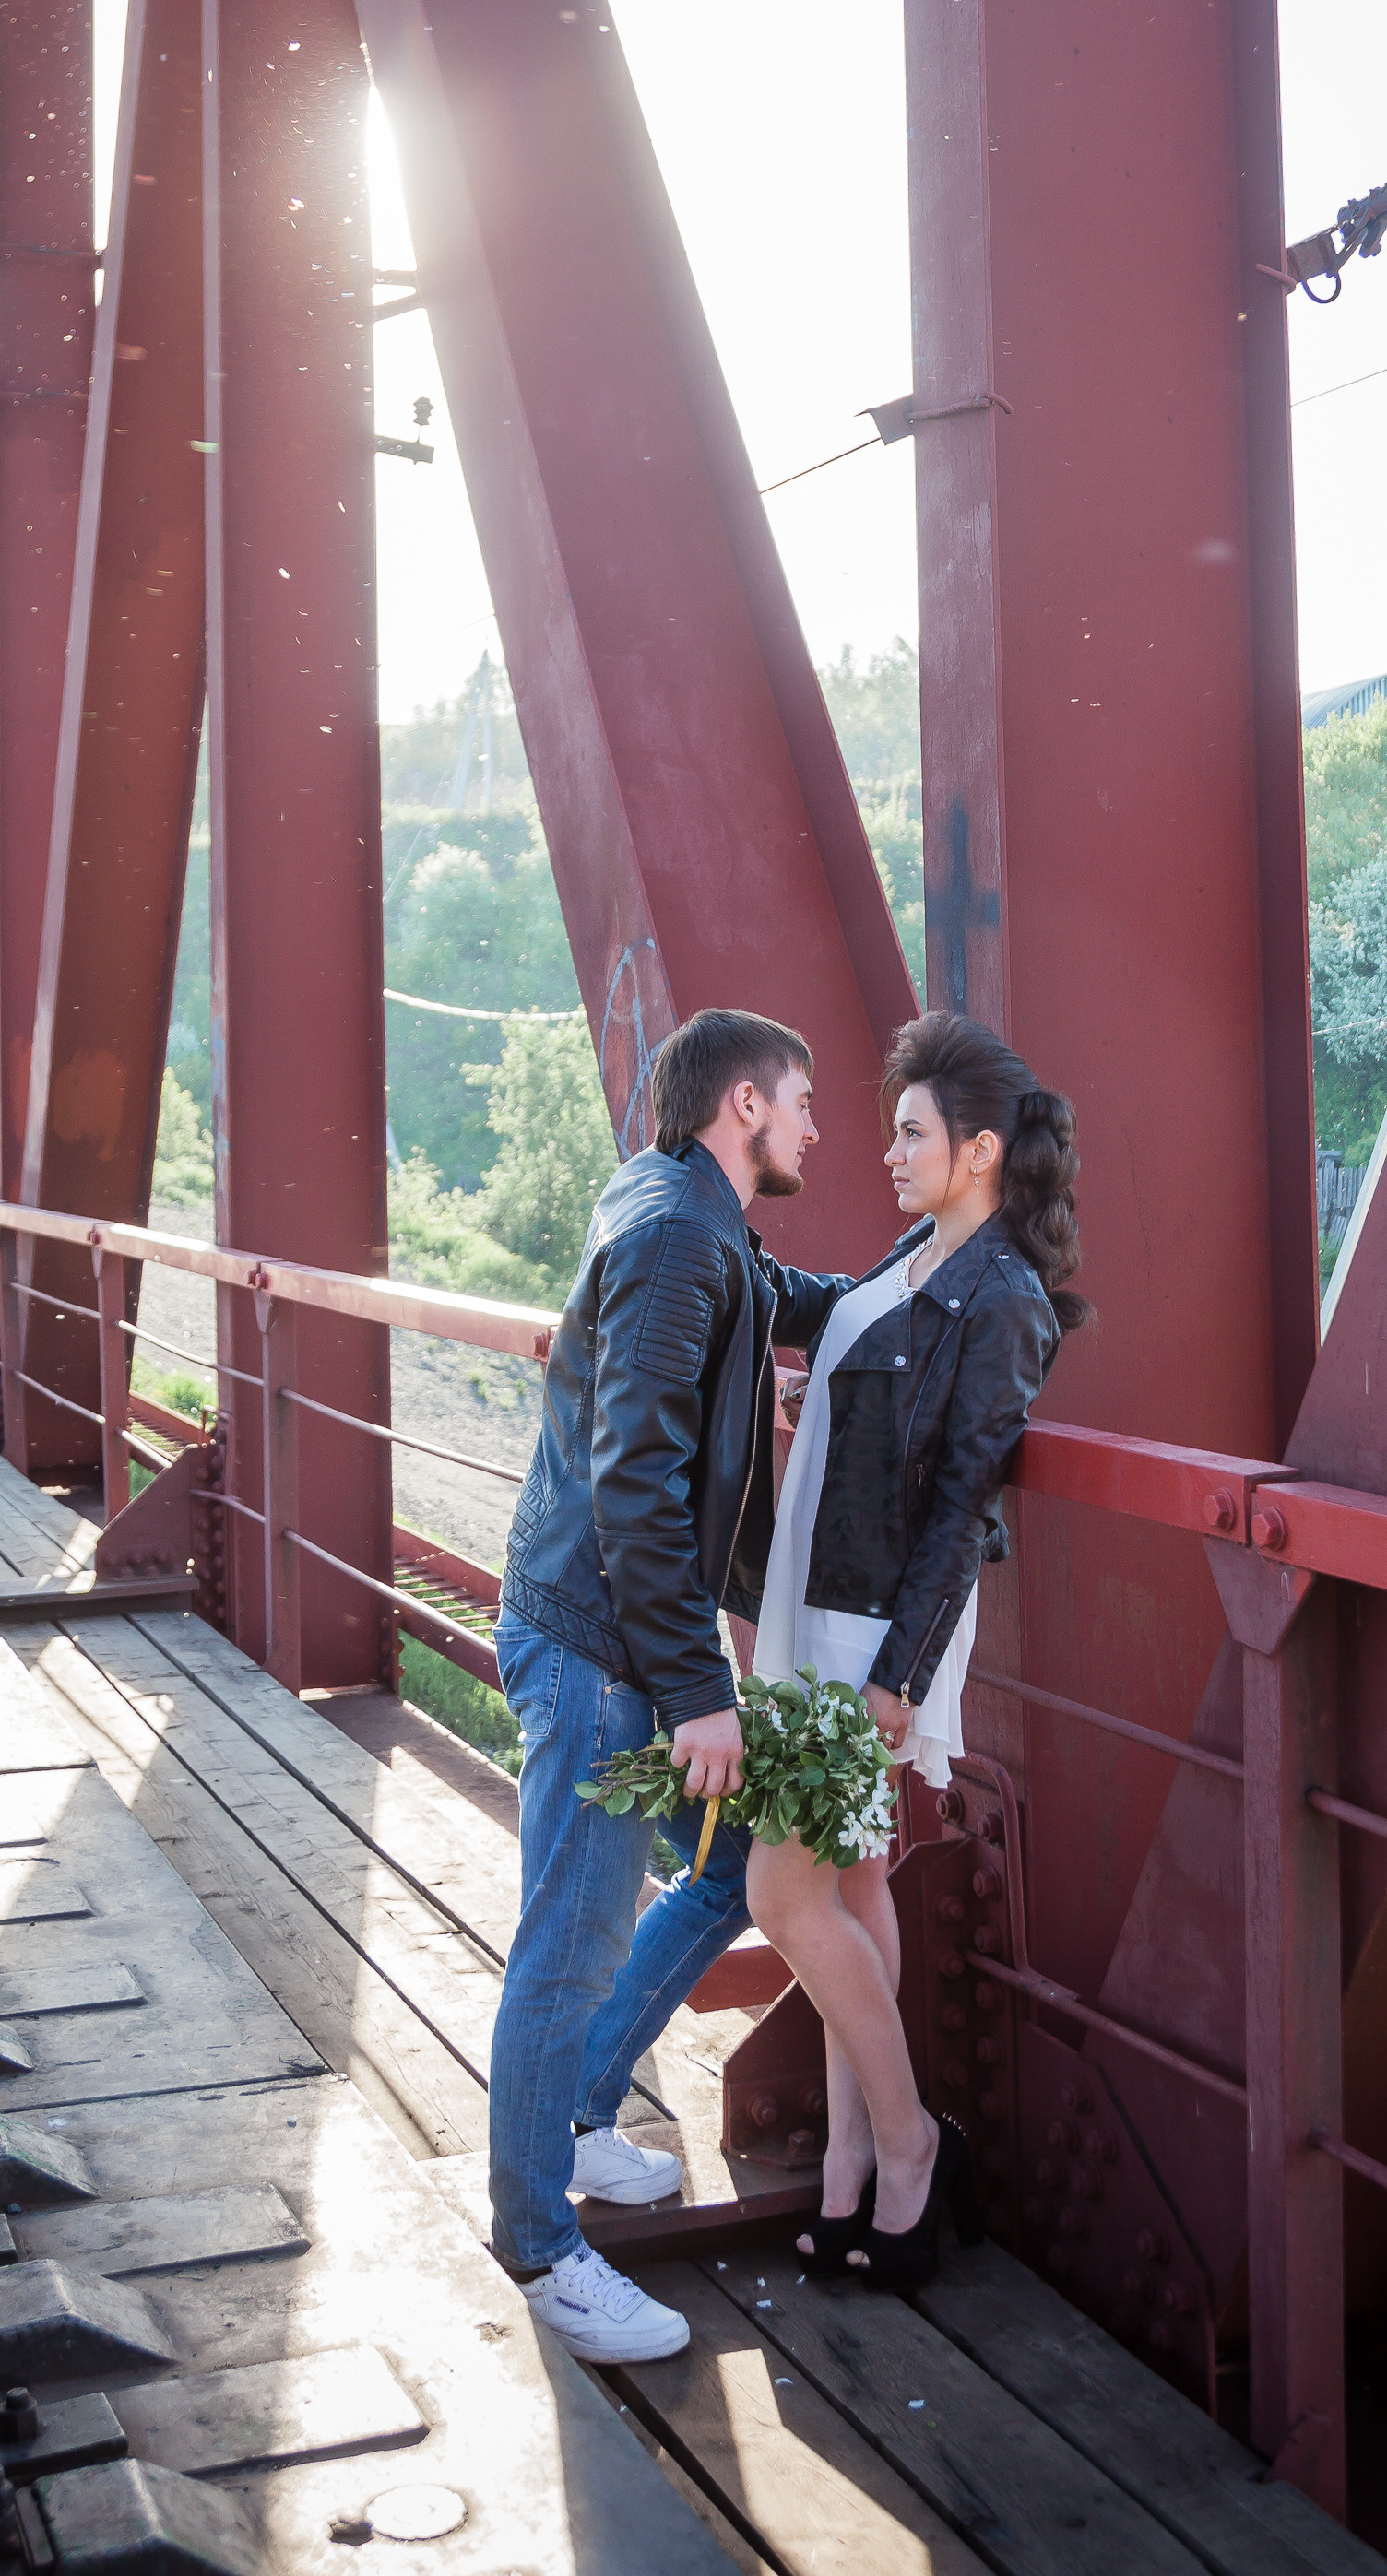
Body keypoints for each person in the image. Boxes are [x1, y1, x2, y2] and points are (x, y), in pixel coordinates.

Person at [489, 1008, 854, 2363]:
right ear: (747, 1103)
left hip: (619, 1635)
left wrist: (922, 1277)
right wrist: (702, 1688)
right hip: (598, 1647)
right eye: (806, 1102)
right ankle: (538, 2247)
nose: (820, 1128)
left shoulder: (688, 1210)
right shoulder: (670, 1234)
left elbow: (779, 1300)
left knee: (731, 1860)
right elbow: (634, 1475)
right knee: (568, 1943)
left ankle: (580, 2120)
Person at [744, 1009, 1088, 2293]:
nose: (886, 1151)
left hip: (864, 1638)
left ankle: (907, 2146)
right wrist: (818, 1392)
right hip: (825, 1610)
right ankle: (848, 2169)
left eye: (910, 1132)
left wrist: (895, 1674)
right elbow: (872, 1379)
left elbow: (962, 1508)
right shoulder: (923, 1252)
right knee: (848, 1889)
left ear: (981, 1149)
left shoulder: (1002, 1299)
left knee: (779, 1898)